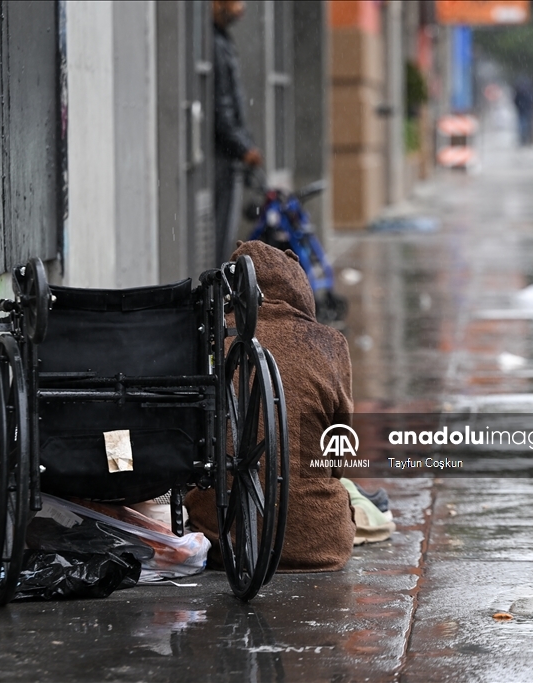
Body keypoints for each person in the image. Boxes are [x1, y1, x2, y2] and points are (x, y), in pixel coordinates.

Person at [186, 240, 357, 572]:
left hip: (223, 542)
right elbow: (338, 449)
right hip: (320, 542)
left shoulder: (210, 340)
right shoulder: (329, 343)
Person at [213, 0, 263, 266]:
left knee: (224, 233)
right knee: (221, 235)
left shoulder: (222, 41)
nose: (242, 9)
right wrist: (244, 148)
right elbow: (222, 108)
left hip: (227, 152)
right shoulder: (215, 44)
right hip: (221, 156)